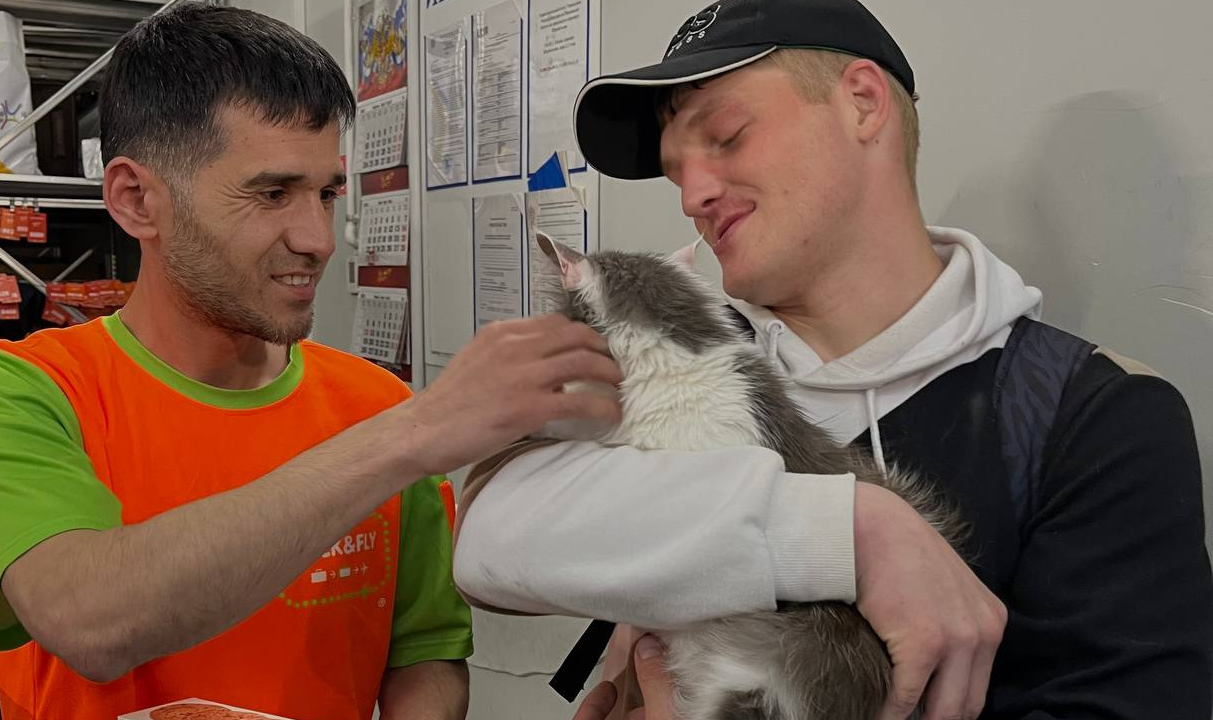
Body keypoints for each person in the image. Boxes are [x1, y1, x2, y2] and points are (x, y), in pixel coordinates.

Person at [453, 0, 1213, 718]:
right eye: (675, 169)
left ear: (863, 103)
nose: (691, 195)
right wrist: (850, 530)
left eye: (725, 136)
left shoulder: (1087, 417)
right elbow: (490, 536)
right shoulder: (676, 356)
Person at [0, 5, 621, 720]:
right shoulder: (11, 392)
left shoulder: (375, 407)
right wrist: (410, 437)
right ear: (136, 201)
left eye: (326, 193)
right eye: (271, 194)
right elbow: (87, 620)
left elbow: (425, 651)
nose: (318, 239)